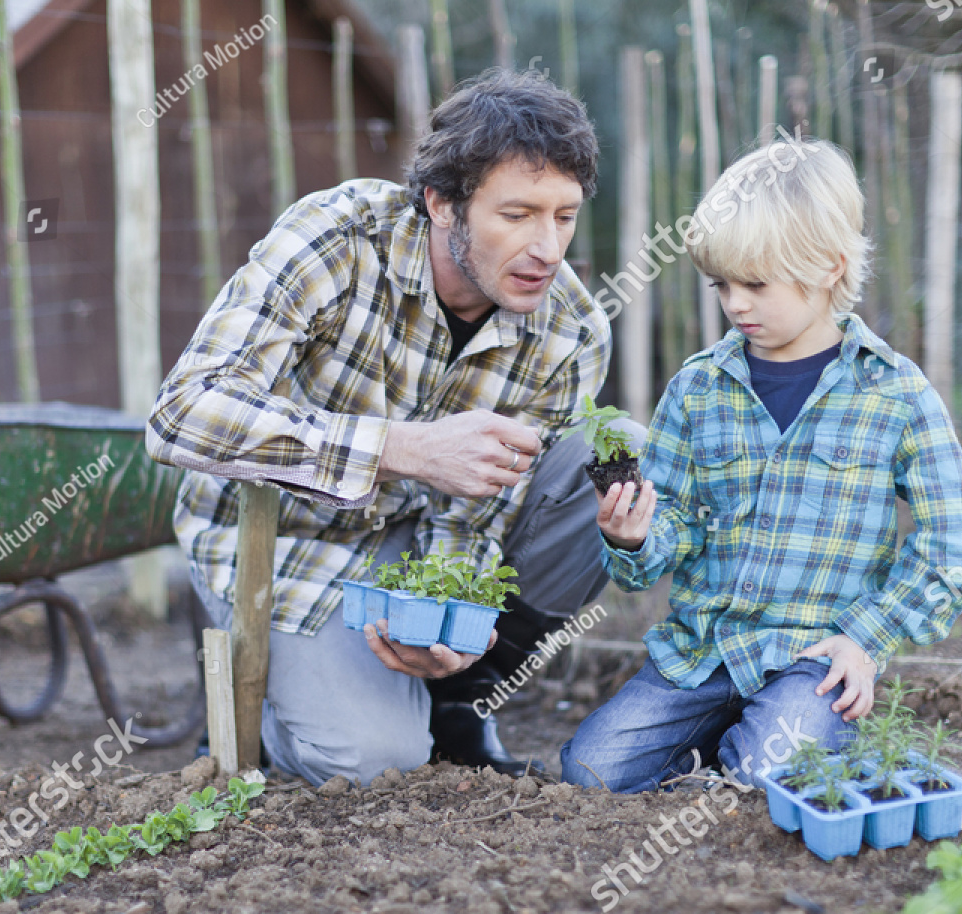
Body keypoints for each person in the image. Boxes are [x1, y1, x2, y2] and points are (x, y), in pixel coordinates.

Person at [147, 69, 640, 785]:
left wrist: (451, 626)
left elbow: (478, 515)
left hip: (416, 543)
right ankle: (253, 712)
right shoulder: (339, 241)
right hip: (285, 540)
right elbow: (183, 411)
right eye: (518, 214)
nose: (548, 248)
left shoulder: (570, 328)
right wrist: (397, 447)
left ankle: (458, 700)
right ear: (443, 203)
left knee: (616, 449)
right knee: (375, 762)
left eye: (564, 216)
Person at [560, 138, 962, 793]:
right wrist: (635, 536)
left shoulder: (893, 392)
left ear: (830, 269)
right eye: (721, 284)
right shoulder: (699, 388)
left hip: (817, 659)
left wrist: (865, 640)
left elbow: (951, 543)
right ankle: (731, 745)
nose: (735, 303)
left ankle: (773, 741)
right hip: (703, 652)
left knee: (773, 770)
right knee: (590, 770)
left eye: (755, 284)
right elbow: (673, 521)